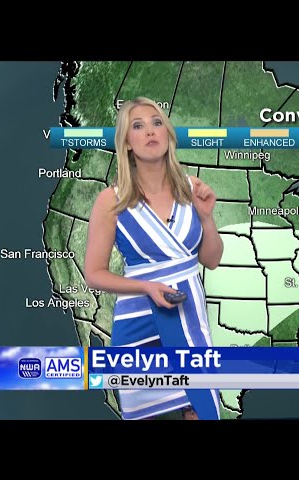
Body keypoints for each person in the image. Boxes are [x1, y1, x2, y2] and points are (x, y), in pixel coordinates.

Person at [84, 97, 224, 420]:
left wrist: (206, 218)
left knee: (202, 409)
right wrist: (147, 287)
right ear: (127, 143)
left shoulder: (191, 188)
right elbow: (94, 273)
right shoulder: (111, 200)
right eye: (138, 126)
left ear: (167, 134)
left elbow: (212, 259)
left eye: (157, 122)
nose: (150, 131)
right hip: (140, 326)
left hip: (189, 321)